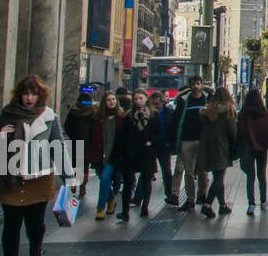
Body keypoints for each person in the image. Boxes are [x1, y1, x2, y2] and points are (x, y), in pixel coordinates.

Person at [0, 75, 68, 256]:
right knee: (11, 225)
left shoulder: (50, 116)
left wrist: (69, 176)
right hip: (11, 177)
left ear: (40, 96)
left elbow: (57, 145)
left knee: (35, 224)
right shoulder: (8, 114)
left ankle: (35, 251)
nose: (29, 98)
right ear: (19, 95)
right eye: (26, 93)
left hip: (39, 177)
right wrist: (1, 135)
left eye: (33, 94)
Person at [116, 91, 162, 222]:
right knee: (128, 182)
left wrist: (151, 141)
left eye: (140, 98)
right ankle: (125, 212)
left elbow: (158, 133)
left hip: (147, 151)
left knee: (147, 180)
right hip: (131, 151)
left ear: (146, 99)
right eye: (136, 99)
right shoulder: (129, 116)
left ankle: (145, 208)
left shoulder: (153, 115)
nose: (138, 101)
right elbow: (122, 134)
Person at [196, 87, 238, 217]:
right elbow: (233, 132)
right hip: (221, 147)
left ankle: (222, 205)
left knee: (217, 177)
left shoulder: (207, 112)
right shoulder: (228, 111)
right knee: (219, 178)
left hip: (207, 147)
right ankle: (208, 204)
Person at [171, 75, 210, 211]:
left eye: (198, 83)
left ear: (202, 84)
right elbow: (176, 120)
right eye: (193, 84)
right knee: (188, 172)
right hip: (187, 140)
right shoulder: (184, 100)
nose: (196, 87)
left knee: (203, 170)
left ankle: (202, 194)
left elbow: (219, 96)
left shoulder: (208, 98)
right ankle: (190, 199)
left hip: (202, 140)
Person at [89, 89, 125, 220]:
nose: (111, 102)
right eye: (109, 100)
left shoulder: (121, 118)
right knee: (103, 180)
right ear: (104, 102)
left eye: (113, 99)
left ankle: (100, 208)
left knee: (105, 179)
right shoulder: (98, 119)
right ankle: (111, 201)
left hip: (114, 155)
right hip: (99, 154)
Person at [239, 89, 268, 213]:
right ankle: (264, 201)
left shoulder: (243, 115)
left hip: (248, 149)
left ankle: (251, 204)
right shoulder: (265, 114)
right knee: (261, 175)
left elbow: (240, 132)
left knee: (251, 176)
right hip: (262, 149)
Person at [62, 90, 96, 201]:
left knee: (75, 165)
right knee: (85, 167)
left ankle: (75, 185)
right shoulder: (92, 113)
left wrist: (72, 136)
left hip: (75, 142)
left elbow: (67, 126)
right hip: (88, 144)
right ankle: (82, 186)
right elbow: (95, 129)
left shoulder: (73, 112)